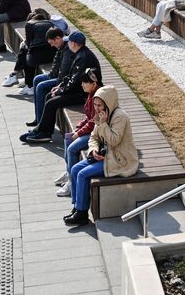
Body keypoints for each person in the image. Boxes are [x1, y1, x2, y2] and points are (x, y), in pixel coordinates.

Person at [62, 84, 139, 227]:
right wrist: (93, 150)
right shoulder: (101, 114)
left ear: (108, 103)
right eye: (95, 104)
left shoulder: (120, 117)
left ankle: (82, 213)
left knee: (83, 174)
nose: (96, 108)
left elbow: (114, 141)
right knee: (74, 170)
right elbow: (93, 137)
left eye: (99, 105)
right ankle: (77, 206)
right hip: (104, 156)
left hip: (120, 159)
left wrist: (103, 124)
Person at [24, 31, 99, 143]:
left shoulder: (82, 57)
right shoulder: (80, 54)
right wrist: (59, 86)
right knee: (49, 96)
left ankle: (43, 132)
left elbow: (74, 82)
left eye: (69, 42)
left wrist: (60, 91)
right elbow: (70, 76)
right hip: (78, 89)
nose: (67, 44)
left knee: (51, 102)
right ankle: (44, 131)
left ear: (73, 44)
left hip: (83, 93)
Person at [55, 68, 104, 193]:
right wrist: (80, 126)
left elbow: (93, 123)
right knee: (68, 139)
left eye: (84, 82)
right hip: (91, 130)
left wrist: (79, 133)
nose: (81, 85)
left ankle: (72, 183)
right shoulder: (90, 95)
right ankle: (69, 172)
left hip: (97, 134)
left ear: (94, 84)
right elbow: (88, 118)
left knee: (72, 147)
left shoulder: (97, 98)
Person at [4, 9, 62, 89]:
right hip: (52, 54)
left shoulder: (30, 24)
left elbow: (28, 43)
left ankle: (20, 77)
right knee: (26, 51)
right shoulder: (50, 23)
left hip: (38, 58)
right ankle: (23, 80)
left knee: (25, 51)